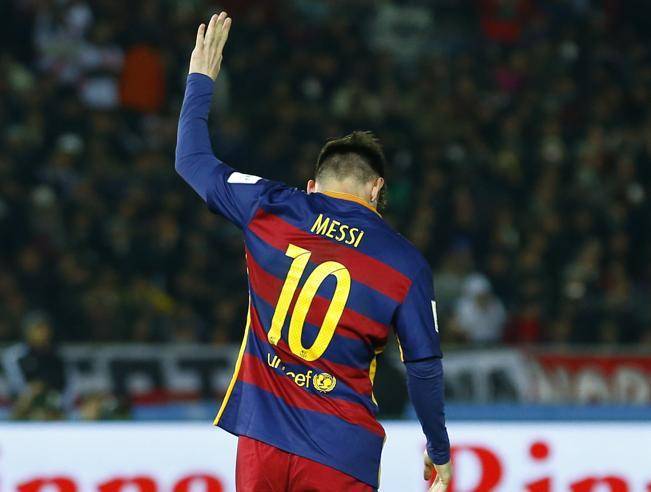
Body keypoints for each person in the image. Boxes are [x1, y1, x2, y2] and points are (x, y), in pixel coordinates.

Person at [175, 12, 451, 492]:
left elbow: (191, 160)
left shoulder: (272, 206)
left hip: (261, 440)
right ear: (376, 189)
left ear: (312, 185)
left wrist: (200, 79)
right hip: (341, 451)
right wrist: (439, 450)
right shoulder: (405, 264)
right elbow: (423, 366)